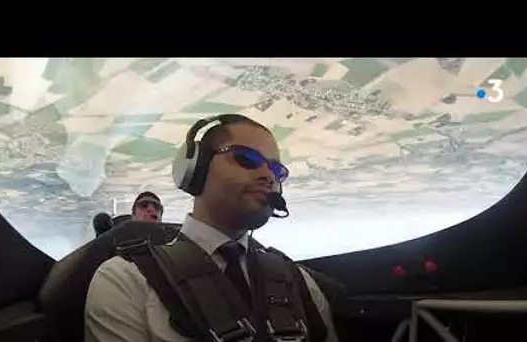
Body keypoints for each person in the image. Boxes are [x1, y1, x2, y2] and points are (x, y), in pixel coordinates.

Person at [84, 115, 339, 341]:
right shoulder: (126, 281)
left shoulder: (299, 282)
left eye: (276, 170)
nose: (268, 176)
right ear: (195, 168)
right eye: (246, 159)